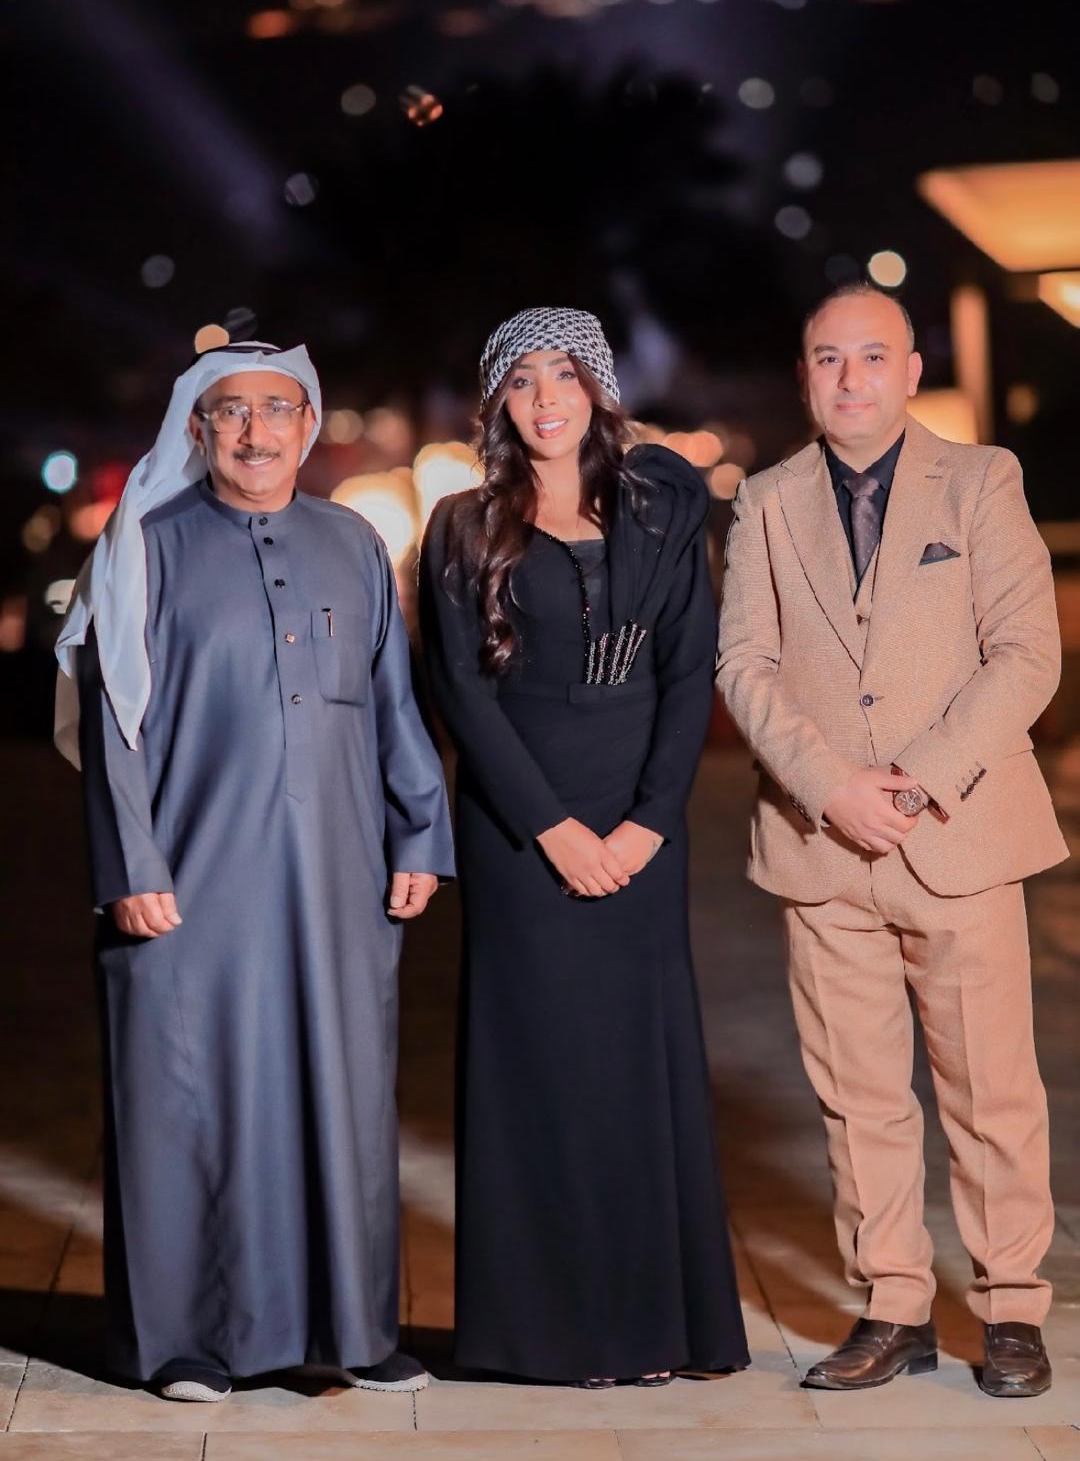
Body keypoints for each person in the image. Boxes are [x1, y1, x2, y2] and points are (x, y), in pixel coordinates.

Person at [55, 339, 455, 1401]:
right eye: (232, 411)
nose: (255, 430)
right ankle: (181, 1343)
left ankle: (353, 1330)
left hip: (335, 878)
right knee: (184, 1103)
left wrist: (420, 831)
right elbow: (111, 722)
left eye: (277, 409)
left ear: (307, 426)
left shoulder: (353, 543)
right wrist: (130, 864)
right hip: (186, 882)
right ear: (198, 428)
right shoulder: (144, 546)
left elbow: (393, 699)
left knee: (341, 1098)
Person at [717, 283, 1068, 1397]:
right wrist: (831, 788)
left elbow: (1027, 653)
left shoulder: (981, 479)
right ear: (804, 376)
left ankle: (1010, 1308)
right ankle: (894, 1305)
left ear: (912, 371)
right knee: (856, 1093)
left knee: (989, 1089)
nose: (850, 377)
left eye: (873, 356)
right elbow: (744, 667)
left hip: (958, 835)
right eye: (828, 357)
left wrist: (915, 783)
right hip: (824, 851)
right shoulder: (767, 500)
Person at [418, 306, 748, 1387]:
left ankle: (652, 1329)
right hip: (521, 829)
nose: (546, 398)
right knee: (540, 1073)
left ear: (599, 388)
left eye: (565, 374)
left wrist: (651, 821)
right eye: (523, 381)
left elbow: (688, 672)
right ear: (499, 404)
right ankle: (545, 1336)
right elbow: (460, 692)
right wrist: (554, 829)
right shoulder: (463, 525)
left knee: (634, 1070)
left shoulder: (661, 508)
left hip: (641, 826)